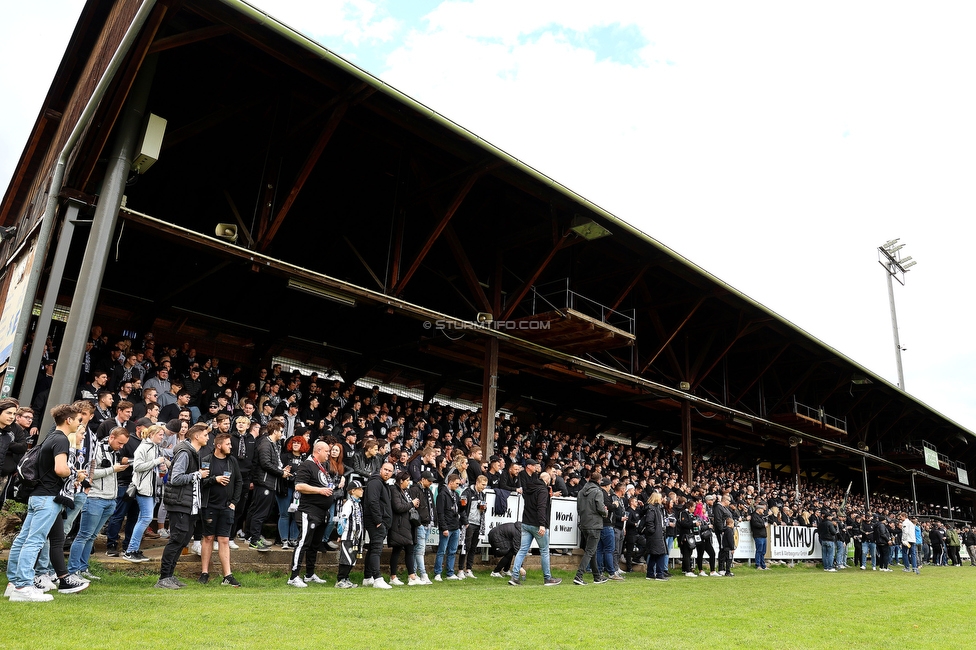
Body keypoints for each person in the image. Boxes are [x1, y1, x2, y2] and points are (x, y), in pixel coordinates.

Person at [6, 403, 85, 601]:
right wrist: (74, 473)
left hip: (37, 496)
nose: (78, 423)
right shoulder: (61, 440)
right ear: (69, 420)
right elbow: (60, 469)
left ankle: (14, 583)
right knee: (34, 541)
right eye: (77, 420)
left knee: (23, 540)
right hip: (48, 497)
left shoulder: (50, 437)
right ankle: (23, 587)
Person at [67, 426, 129, 580]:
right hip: (95, 498)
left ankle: (83, 568)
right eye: (120, 443)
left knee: (92, 536)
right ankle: (73, 570)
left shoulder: (114, 452)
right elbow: (89, 473)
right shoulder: (96, 449)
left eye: (123, 445)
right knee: (83, 535)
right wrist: (112, 470)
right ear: (111, 437)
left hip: (110, 499)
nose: (121, 447)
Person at [155, 423, 209, 589]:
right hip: (179, 503)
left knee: (183, 540)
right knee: (177, 539)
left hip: (189, 504)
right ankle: (164, 578)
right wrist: (197, 474)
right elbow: (176, 478)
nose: (208, 438)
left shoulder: (193, 453)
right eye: (205, 435)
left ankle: (170, 575)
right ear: (196, 436)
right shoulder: (185, 453)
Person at [288, 441, 336, 588]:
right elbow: (299, 485)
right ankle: (293, 576)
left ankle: (309, 574)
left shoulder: (322, 467)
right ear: (318, 451)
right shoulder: (307, 465)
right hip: (308, 511)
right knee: (303, 542)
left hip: (321, 512)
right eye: (327, 451)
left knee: (314, 544)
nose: (329, 454)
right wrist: (320, 490)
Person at [199, 432, 243, 587]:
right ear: (218, 446)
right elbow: (201, 482)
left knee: (224, 540)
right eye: (228, 444)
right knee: (208, 538)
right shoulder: (206, 460)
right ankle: (204, 572)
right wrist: (214, 480)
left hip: (227, 507)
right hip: (209, 506)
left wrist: (234, 502)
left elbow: (239, 482)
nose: (231, 447)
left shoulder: (232, 461)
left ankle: (228, 575)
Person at [123, 425, 169, 563]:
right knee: (146, 518)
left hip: (153, 489)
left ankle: (133, 549)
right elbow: (137, 466)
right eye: (160, 434)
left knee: (143, 519)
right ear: (152, 434)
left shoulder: (156, 448)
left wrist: (163, 469)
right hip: (143, 488)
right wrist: (156, 461)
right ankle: (131, 550)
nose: (162, 437)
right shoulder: (143, 447)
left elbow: (156, 470)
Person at [509, 465, 561, 587]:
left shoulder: (529, 488)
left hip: (526, 523)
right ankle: (547, 578)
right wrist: (542, 525)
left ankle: (514, 576)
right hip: (538, 525)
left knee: (522, 550)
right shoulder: (543, 490)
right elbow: (541, 508)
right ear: (546, 480)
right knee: (544, 551)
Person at [247, 420, 290, 551]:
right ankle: (254, 540)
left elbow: (273, 462)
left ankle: (256, 537)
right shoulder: (265, 443)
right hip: (264, 483)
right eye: (281, 431)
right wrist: (281, 472)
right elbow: (265, 463)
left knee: (261, 512)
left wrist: (282, 469)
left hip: (269, 483)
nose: (282, 434)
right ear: (275, 431)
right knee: (259, 513)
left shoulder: (272, 444)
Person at [363, 461, 395, 588]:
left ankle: (367, 577)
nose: (387, 472)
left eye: (390, 471)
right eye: (385, 469)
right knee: (376, 549)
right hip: (375, 522)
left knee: (372, 548)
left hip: (379, 521)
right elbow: (373, 502)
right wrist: (378, 521)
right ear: (380, 469)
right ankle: (377, 578)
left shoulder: (382, 483)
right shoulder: (376, 482)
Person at [574, 471, 607, 585]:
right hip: (595, 524)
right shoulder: (598, 492)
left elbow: (578, 508)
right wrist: (605, 512)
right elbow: (601, 509)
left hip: (584, 523)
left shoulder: (581, 491)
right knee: (590, 551)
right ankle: (579, 575)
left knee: (591, 551)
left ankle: (597, 576)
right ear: (599, 480)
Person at [389, 470, 421, 586]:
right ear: (401, 481)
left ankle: (411, 576)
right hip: (398, 525)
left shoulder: (405, 491)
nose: (409, 483)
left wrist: (413, 505)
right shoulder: (394, 490)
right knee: (397, 550)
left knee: (410, 549)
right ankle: (393, 576)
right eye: (407, 480)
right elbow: (398, 507)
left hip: (408, 525)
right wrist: (411, 504)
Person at [334, 478, 365, 589]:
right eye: (359, 489)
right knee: (346, 558)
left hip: (356, 538)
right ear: (352, 491)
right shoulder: (349, 504)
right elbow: (343, 520)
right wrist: (340, 534)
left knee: (352, 559)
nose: (362, 491)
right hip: (348, 536)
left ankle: (346, 578)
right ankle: (340, 579)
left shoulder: (358, 504)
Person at [278, 435, 307, 549]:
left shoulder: (305, 459)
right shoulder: (284, 457)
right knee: (284, 513)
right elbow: (278, 470)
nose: (295, 444)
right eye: (294, 442)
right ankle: (284, 539)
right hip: (285, 488)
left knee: (297, 513)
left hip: (299, 490)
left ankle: (293, 539)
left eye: (298, 443)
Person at [434, 472, 463, 582]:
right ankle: (437, 572)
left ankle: (450, 572)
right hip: (447, 527)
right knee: (441, 550)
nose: (458, 486)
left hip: (455, 526)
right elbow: (440, 513)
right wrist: (444, 527)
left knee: (452, 551)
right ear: (450, 483)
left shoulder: (455, 494)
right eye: (456, 483)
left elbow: (458, 510)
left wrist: (462, 506)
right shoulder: (442, 494)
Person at [408, 470, 436, 585]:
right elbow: (413, 508)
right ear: (423, 479)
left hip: (426, 524)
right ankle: (423, 574)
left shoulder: (429, 491)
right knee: (420, 551)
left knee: (417, 551)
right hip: (420, 524)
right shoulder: (414, 490)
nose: (430, 483)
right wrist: (418, 522)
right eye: (429, 480)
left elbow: (431, 507)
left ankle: (413, 575)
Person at [459, 474, 488, 578]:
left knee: (473, 548)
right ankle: (460, 570)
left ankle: (469, 569)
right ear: (477, 482)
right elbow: (461, 508)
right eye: (482, 484)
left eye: (485, 485)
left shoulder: (483, 494)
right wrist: (465, 522)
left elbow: (484, 509)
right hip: (469, 524)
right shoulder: (467, 492)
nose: (484, 487)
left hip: (478, 524)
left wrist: (484, 508)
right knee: (465, 546)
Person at [643, 491, 669, 581]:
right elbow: (649, 522)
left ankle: (650, 573)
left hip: (657, 534)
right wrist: (653, 531)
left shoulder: (656, 509)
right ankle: (659, 574)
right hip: (655, 535)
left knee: (655, 555)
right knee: (661, 553)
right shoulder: (652, 509)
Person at [748, 501, 769, 570]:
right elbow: (755, 524)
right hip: (758, 535)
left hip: (763, 535)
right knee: (759, 550)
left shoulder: (760, 516)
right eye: (762, 509)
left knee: (763, 551)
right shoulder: (754, 516)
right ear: (759, 509)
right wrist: (763, 525)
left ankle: (763, 565)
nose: (763, 511)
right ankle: (758, 565)